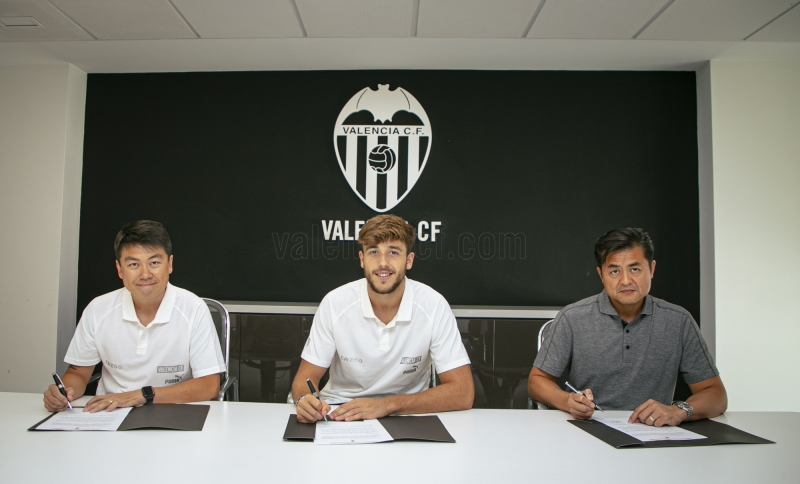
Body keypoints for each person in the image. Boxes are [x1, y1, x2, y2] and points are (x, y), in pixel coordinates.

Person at [528, 227, 727, 427]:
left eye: (635, 269)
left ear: (652, 269)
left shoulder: (679, 321)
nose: (625, 281)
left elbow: (715, 393)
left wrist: (678, 411)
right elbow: (536, 381)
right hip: (587, 428)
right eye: (614, 271)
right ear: (601, 274)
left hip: (653, 431)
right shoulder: (572, 317)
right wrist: (567, 401)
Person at [293, 214, 474, 423]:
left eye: (393, 252)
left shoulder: (434, 305)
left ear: (409, 260)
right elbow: (304, 380)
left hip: (409, 415)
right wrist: (305, 400)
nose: (382, 263)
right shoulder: (334, 303)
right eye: (373, 252)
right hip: (341, 412)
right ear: (362, 259)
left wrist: (386, 406)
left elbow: (463, 392)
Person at [43, 220, 226, 413]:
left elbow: (209, 386)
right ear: (119, 269)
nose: (145, 274)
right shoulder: (98, 309)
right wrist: (63, 392)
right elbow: (79, 373)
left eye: (154, 263)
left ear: (169, 264)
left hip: (173, 410)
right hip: (110, 412)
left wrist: (142, 395)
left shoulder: (194, 308)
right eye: (133, 264)